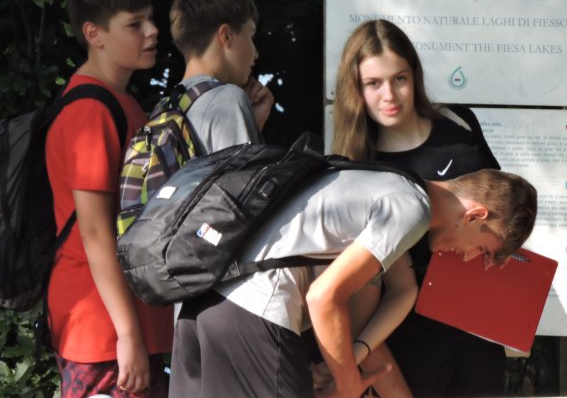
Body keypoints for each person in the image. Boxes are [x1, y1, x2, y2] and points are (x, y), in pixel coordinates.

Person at [170, 164, 538, 398]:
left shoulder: (390, 181)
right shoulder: (411, 209)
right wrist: (347, 383)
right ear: (475, 215)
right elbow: (323, 297)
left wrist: (353, 358)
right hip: (255, 312)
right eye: (484, 250)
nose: (470, 258)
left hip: (205, 306)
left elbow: (402, 291)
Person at [331, 19, 508, 397]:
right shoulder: (359, 167)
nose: (389, 95)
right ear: (355, 89)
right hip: (409, 335)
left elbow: (503, 206)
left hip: (481, 322)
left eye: (399, 78)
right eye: (373, 83)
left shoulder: (459, 122)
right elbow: (366, 291)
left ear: (415, 75)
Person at [46, 0, 173, 397]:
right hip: (103, 333)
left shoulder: (119, 102)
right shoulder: (90, 111)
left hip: (121, 326)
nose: (152, 31)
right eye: (134, 24)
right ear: (94, 34)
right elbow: (95, 232)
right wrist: (128, 334)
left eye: (150, 19)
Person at [166, 0, 274, 153]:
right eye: (251, 36)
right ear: (226, 36)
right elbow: (241, 172)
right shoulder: (227, 100)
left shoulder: (166, 108)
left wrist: (252, 125)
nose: (255, 53)